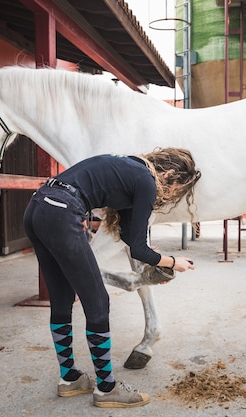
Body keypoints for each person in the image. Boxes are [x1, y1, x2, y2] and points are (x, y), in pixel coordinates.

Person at [23, 148, 201, 408]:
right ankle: (107, 388)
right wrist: (175, 262)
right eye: (176, 188)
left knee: (61, 298)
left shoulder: (130, 169)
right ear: (170, 173)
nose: (172, 194)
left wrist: (155, 268)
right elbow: (139, 249)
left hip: (39, 207)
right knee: (98, 303)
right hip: (61, 211)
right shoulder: (146, 182)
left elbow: (131, 238)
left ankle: (69, 378)